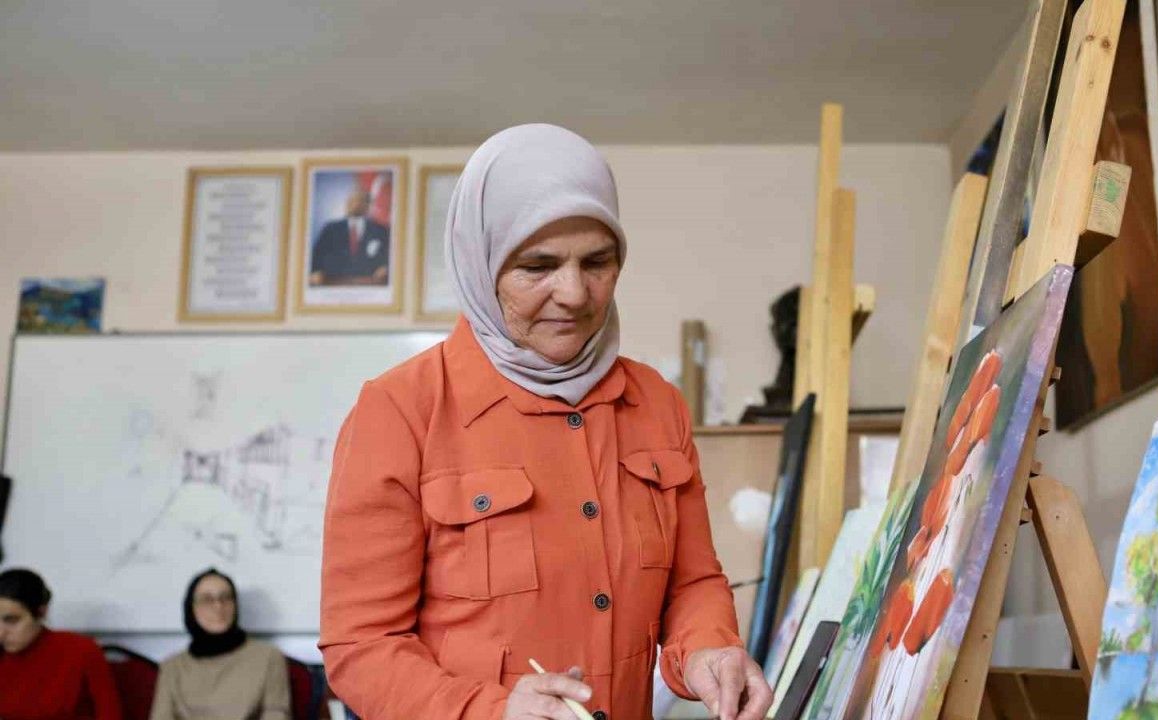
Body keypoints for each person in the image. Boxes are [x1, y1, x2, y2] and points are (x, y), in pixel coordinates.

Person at [320, 124, 772, 720]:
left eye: (598, 262)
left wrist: (709, 650)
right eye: (538, 266)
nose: (575, 294)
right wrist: (491, 712)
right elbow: (361, 647)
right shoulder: (399, 411)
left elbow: (692, 583)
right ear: (481, 266)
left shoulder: (658, 405)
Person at [150, 569, 290, 720]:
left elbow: (276, 715)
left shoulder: (267, 658)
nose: (218, 606)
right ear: (191, 608)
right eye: (207, 599)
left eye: (226, 598)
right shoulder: (172, 667)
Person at [0, 568, 123, 720]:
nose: (1, 633)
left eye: (12, 620)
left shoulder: (80, 650)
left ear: (41, 612)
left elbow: (110, 714)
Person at [308, 187, 391, 286]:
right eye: (350, 201)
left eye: (357, 201)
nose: (352, 204)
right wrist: (315, 271)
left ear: (367, 205)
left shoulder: (380, 230)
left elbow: (390, 257)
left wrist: (386, 267)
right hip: (333, 283)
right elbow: (317, 256)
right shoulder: (330, 229)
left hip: (369, 284)